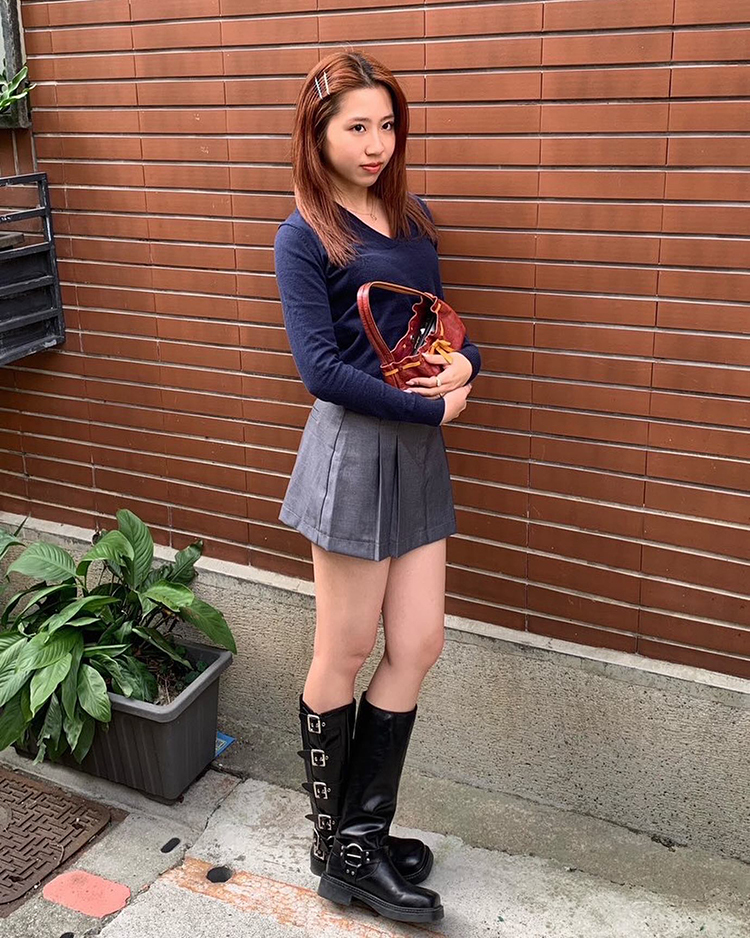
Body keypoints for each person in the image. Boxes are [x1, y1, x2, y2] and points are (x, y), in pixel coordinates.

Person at [273, 50, 482, 925]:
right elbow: (320, 370)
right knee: (346, 648)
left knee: (420, 642)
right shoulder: (303, 235)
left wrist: (466, 366)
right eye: (356, 126)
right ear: (317, 134)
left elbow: (440, 328)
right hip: (354, 454)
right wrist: (428, 407)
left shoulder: (412, 217)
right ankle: (344, 851)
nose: (376, 143)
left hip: (419, 458)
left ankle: (357, 845)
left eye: (387, 124)